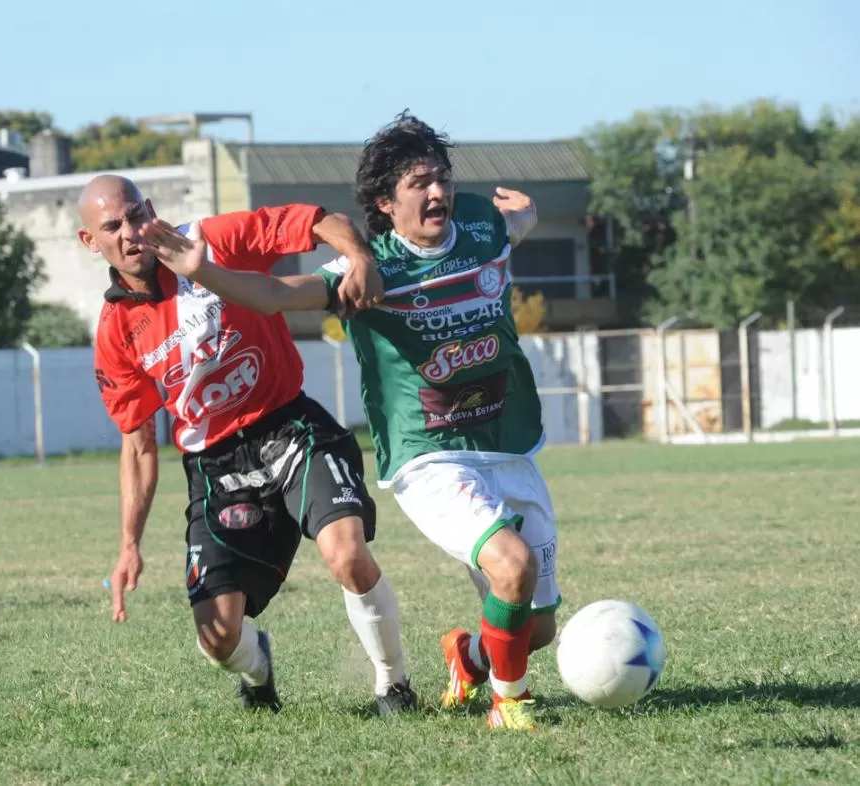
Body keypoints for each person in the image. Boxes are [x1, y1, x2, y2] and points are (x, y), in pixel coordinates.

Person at [135, 112, 559, 732]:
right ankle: (509, 706)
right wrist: (203, 271)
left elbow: (512, 225)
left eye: (441, 178)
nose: (437, 192)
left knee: (535, 627)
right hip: (430, 454)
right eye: (419, 184)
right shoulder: (365, 272)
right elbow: (278, 296)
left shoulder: (480, 222)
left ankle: (468, 659)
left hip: (509, 440)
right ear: (386, 204)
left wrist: (531, 214)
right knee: (513, 566)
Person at [79, 174, 415, 716]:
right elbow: (139, 444)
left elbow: (315, 220)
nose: (131, 233)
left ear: (152, 210)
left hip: (290, 427)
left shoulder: (210, 240)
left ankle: (392, 684)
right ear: (90, 241)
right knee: (217, 637)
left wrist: (360, 258)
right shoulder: (116, 330)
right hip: (215, 467)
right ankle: (259, 667)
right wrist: (128, 545)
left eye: (136, 215)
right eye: (112, 226)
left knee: (347, 553)